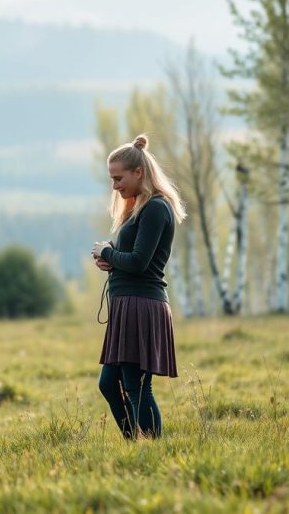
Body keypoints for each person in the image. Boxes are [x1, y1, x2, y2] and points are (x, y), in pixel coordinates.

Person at [91, 133, 186, 439]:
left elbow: (140, 262)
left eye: (118, 179)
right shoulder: (138, 208)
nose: (115, 186)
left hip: (141, 305)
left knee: (136, 387)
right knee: (109, 384)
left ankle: (154, 450)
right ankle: (134, 443)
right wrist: (110, 260)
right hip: (128, 304)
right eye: (112, 179)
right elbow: (130, 258)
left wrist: (107, 252)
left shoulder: (157, 208)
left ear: (138, 172)